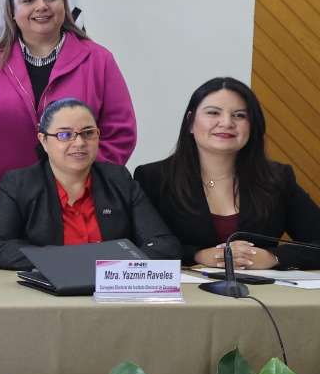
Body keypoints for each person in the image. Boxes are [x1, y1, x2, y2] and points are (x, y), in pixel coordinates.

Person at [0, 0, 136, 207]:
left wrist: (81, 182)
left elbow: (120, 133)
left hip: (75, 203)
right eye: (29, 0)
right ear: (12, 10)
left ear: (64, 4)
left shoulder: (99, 60)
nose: (42, 6)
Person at [135, 77, 320, 270]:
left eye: (239, 115)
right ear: (190, 122)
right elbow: (137, 248)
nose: (226, 123)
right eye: (213, 113)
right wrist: (197, 255)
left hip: (260, 288)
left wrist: (273, 257)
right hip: (185, 288)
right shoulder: (153, 178)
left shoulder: (277, 178)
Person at [0, 99, 178, 270]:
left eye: (88, 133)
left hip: (112, 289)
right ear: (44, 141)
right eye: (65, 135)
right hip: (46, 293)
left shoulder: (119, 179)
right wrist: (72, 260)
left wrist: (113, 266)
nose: (79, 143)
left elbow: (164, 244)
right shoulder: (19, 183)